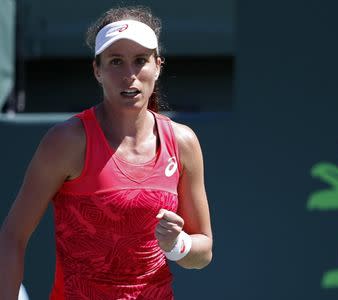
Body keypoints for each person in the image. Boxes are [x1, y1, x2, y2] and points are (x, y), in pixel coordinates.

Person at [0, 5, 213, 299]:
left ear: (158, 66)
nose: (130, 75)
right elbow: (12, 238)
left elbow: (203, 251)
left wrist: (178, 245)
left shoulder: (183, 142)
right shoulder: (66, 141)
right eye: (115, 62)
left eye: (140, 60)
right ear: (97, 70)